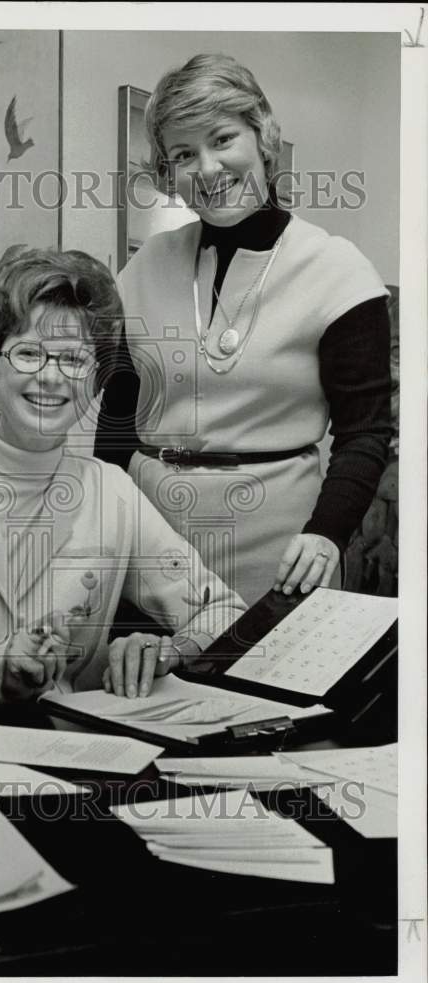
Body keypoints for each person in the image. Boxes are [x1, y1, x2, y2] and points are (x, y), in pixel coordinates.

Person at [95, 54, 392, 607]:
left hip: (282, 553)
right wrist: (104, 529)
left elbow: (365, 432)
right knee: (142, 689)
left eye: (222, 139)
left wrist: (327, 532)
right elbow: (116, 422)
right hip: (150, 545)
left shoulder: (341, 271)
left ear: (264, 137)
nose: (207, 169)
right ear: (168, 175)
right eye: (183, 154)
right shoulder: (141, 270)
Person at [0, 249, 246, 701]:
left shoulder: (112, 492)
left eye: (73, 360)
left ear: (95, 379)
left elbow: (226, 612)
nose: (50, 377)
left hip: (78, 753)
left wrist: (166, 651)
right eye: (28, 353)